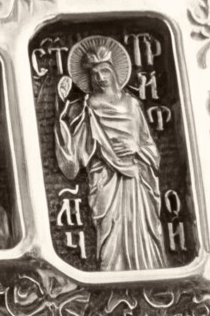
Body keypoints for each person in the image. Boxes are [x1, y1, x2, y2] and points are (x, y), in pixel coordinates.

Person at [53, 36, 165, 268]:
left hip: (136, 178)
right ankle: (112, 275)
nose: (100, 78)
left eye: (104, 71)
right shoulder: (87, 107)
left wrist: (137, 149)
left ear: (114, 72)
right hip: (105, 178)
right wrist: (61, 112)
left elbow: (150, 148)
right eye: (94, 74)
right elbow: (74, 157)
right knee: (110, 230)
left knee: (141, 228)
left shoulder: (132, 104)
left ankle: (149, 273)